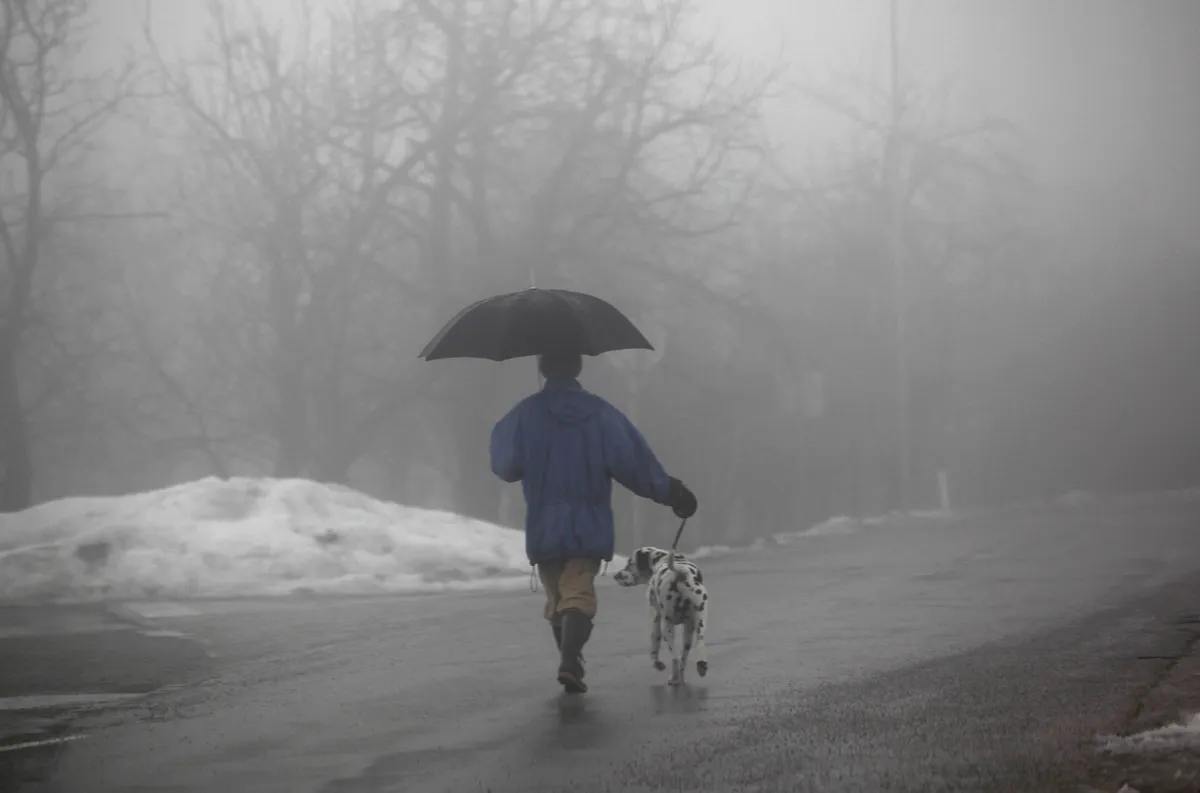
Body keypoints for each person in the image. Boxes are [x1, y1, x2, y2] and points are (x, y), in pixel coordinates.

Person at [489, 350, 697, 694]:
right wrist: (671, 492)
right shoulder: (602, 414)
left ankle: (571, 662)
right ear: (578, 367)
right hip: (589, 522)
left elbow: (505, 466)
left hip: (544, 524)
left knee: (558, 597)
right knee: (578, 594)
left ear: (542, 368)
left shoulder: (524, 414)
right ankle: (571, 661)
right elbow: (633, 463)